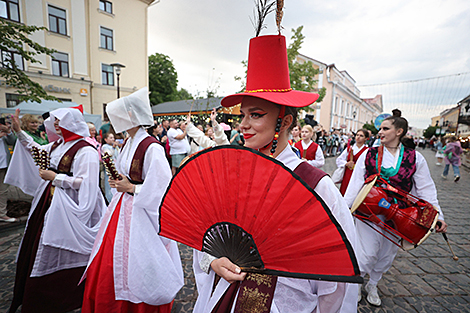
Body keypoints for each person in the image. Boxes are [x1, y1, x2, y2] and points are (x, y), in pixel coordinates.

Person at [193, 34, 357, 313]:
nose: (243, 124)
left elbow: (337, 279)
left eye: (255, 115)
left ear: (286, 121)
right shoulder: (233, 173)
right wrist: (213, 260)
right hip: (224, 297)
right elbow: (207, 232)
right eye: (242, 115)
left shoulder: (316, 186)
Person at [82, 87, 183, 313]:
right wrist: (120, 181)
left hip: (140, 212)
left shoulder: (152, 148)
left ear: (129, 116)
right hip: (122, 208)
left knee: (136, 262)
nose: (112, 121)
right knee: (113, 259)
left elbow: (162, 188)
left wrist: (132, 188)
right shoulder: (128, 142)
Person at [7, 106, 107, 313]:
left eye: (61, 121)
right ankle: (38, 297)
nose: (57, 125)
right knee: (41, 244)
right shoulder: (57, 145)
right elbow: (35, 149)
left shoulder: (85, 150)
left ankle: (67, 296)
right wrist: (19, 131)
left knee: (62, 246)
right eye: (56, 121)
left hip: (71, 205)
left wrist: (56, 178)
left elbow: (87, 183)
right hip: (50, 203)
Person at [344, 111, 448, 307]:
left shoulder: (415, 158)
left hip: (401, 215)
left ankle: (373, 284)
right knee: (366, 253)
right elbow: (355, 185)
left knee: (386, 254)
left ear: (399, 131)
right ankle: (357, 283)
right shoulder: (369, 153)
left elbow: (426, 188)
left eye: (385, 128)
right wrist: (343, 210)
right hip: (369, 212)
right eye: (380, 128)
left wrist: (437, 216)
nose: (380, 132)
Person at [336, 129, 369, 195]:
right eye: (357, 135)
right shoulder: (350, 148)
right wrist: (346, 163)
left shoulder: (367, 150)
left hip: (359, 175)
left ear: (366, 138)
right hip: (348, 173)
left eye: (361, 136)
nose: (358, 137)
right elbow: (339, 160)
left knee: (355, 192)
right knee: (344, 191)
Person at [0, 119, 18, 222]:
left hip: (3, 165)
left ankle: (2, 214)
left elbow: (13, 142)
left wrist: (8, 132)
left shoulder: (3, 133)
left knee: (3, 191)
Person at [101, 132, 120, 203]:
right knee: (109, 186)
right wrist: (114, 147)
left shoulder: (115, 147)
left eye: (113, 138)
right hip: (110, 169)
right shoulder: (104, 147)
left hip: (117, 168)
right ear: (106, 139)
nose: (113, 139)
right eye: (111, 138)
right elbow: (108, 155)